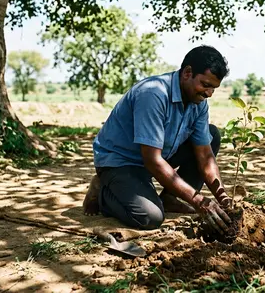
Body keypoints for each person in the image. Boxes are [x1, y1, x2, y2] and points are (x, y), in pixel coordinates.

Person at [82, 45, 232, 232]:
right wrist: (197, 200)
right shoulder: (153, 94)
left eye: (214, 88)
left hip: (157, 157)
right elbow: (152, 160)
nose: (209, 93)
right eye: (205, 85)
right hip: (120, 163)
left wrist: (222, 197)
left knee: (212, 136)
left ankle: (170, 198)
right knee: (149, 217)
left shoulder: (198, 103)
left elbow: (204, 156)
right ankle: (103, 191)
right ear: (187, 73)